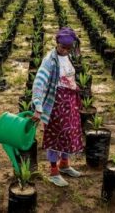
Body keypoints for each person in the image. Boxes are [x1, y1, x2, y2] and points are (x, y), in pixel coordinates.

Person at [31, 27, 83, 187]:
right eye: (62, 47)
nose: (65, 51)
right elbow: (39, 81)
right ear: (57, 43)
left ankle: (65, 164)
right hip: (56, 104)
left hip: (70, 102)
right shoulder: (50, 60)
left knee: (69, 134)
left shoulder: (68, 56)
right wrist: (38, 105)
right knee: (55, 136)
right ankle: (54, 172)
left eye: (68, 48)